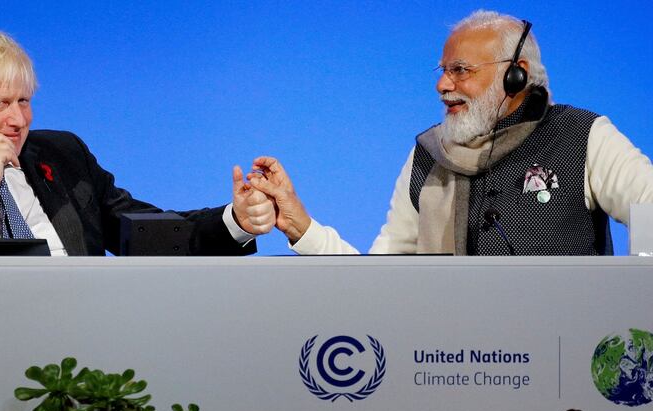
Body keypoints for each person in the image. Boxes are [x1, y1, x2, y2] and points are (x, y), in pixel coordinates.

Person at [249, 10, 653, 255]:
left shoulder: (582, 136)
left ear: (515, 75)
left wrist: (632, 307)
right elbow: (378, 284)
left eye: (460, 70)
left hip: (563, 355)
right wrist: (303, 228)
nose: (442, 85)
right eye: (443, 71)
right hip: (448, 358)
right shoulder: (428, 154)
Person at [0, 29, 274, 256]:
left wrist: (234, 222)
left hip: (83, 328)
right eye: (1, 104)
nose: (18, 120)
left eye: (24, 101)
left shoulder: (63, 154)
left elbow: (145, 231)